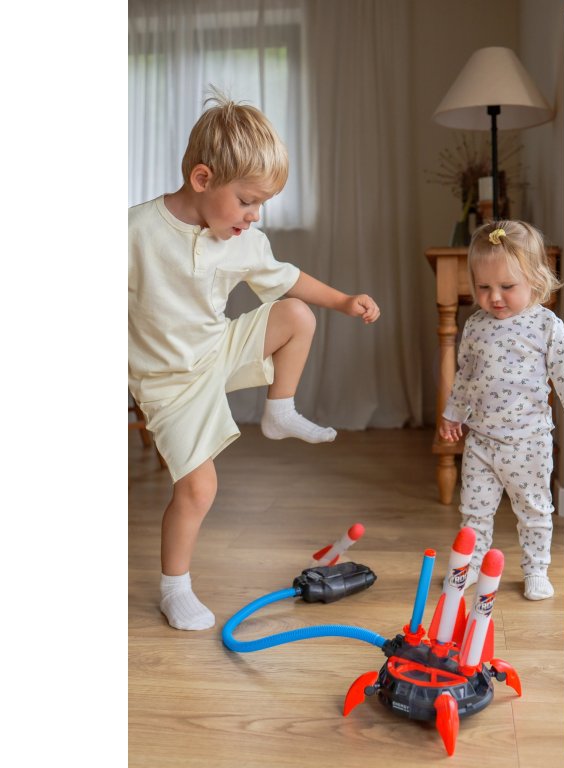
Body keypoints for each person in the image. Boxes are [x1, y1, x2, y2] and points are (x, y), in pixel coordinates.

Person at [128, 93, 380, 630]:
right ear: (202, 179)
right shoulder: (136, 232)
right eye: (247, 200)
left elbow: (289, 279)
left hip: (217, 350)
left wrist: (342, 300)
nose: (254, 215)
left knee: (295, 315)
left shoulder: (242, 239)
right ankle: (175, 588)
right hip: (168, 383)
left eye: (261, 204)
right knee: (199, 488)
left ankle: (279, 410)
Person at [438, 221, 564, 600]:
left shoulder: (546, 325)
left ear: (535, 280)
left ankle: (536, 569)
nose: (494, 297)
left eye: (507, 287)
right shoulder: (475, 326)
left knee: (534, 511)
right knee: (474, 512)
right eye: (483, 287)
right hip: (481, 441)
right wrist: (453, 413)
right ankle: (472, 566)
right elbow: (465, 376)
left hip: (529, 442)